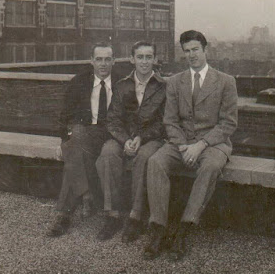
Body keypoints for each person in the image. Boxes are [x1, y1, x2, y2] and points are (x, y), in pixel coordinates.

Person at [144, 30, 238, 261]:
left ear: (206, 50)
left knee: (210, 167)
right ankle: (158, 227)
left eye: (195, 49)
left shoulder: (226, 81)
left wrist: (201, 145)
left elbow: (228, 123)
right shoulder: (175, 82)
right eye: (186, 51)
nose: (191, 55)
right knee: (155, 161)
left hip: (213, 143)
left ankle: (184, 228)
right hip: (181, 143)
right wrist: (185, 146)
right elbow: (170, 120)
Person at [96, 41, 166, 242]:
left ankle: (136, 217)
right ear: (132, 59)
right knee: (108, 153)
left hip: (151, 139)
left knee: (144, 156)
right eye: (140, 57)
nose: (144, 61)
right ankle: (113, 215)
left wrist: (141, 138)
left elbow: (164, 122)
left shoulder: (163, 87)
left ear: (154, 59)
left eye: (149, 57)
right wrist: (125, 140)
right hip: (123, 138)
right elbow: (113, 119)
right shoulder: (122, 85)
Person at [47, 42, 118, 237]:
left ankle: (67, 212)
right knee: (76, 141)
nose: (103, 64)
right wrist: (64, 140)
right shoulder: (79, 82)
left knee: (75, 146)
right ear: (91, 61)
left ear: (114, 61)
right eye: (98, 59)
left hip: (113, 135)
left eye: (107, 59)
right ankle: (79, 201)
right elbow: (65, 116)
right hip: (88, 133)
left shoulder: (122, 82)